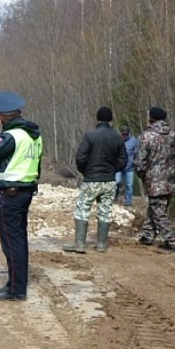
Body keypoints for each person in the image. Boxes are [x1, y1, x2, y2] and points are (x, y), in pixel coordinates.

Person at [0, 91, 43, 301]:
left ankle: (16, 289)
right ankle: (16, 284)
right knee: (19, 239)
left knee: (12, 241)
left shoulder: (12, 136)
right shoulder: (33, 135)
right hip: (25, 190)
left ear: (4, 116)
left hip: (11, 193)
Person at [62, 107, 127, 254]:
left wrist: (86, 171)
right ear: (111, 120)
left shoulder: (90, 135)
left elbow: (80, 157)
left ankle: (80, 244)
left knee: (83, 208)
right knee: (105, 210)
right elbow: (123, 160)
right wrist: (113, 170)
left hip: (92, 179)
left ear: (97, 118)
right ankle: (101, 244)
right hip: (109, 180)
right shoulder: (117, 137)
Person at [135, 106, 175, 252]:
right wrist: (172, 168)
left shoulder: (147, 136)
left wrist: (142, 173)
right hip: (170, 179)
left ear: (152, 118)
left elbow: (140, 160)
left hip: (154, 179)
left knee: (158, 211)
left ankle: (172, 240)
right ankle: (148, 234)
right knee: (157, 207)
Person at [115, 125, 138, 206]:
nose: (124, 136)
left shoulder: (134, 141)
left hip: (129, 167)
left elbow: (137, 153)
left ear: (129, 133)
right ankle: (115, 199)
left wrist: (135, 162)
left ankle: (128, 202)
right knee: (117, 182)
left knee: (129, 185)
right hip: (118, 167)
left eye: (126, 134)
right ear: (121, 133)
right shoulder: (117, 140)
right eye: (123, 134)